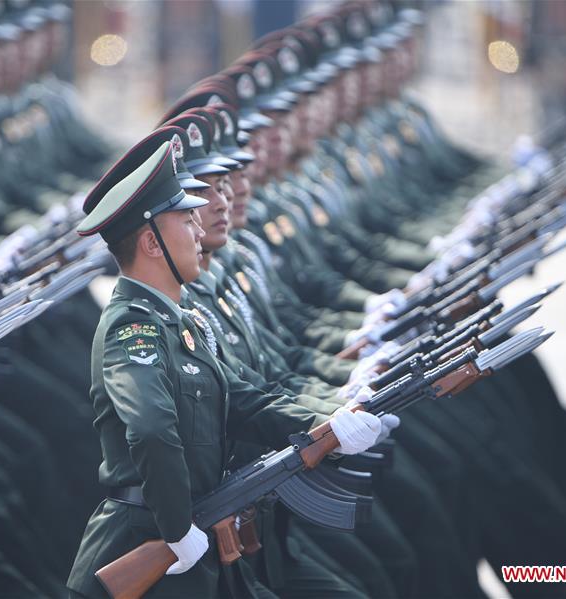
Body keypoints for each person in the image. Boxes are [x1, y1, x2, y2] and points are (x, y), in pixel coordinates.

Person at [66, 135, 384, 598]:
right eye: (187, 219)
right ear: (152, 242)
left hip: (198, 541)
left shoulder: (180, 321)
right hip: (152, 547)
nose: (199, 231)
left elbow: (240, 399)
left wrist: (328, 423)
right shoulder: (132, 328)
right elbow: (153, 431)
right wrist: (176, 530)